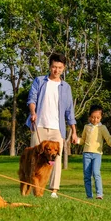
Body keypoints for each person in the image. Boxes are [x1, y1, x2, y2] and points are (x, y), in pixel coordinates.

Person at [26, 53, 77, 198]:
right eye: (54, 67)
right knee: (35, 157)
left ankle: (53, 190)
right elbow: (31, 98)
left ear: (64, 68)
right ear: (50, 66)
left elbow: (69, 112)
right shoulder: (40, 81)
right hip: (40, 125)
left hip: (57, 128)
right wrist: (33, 112)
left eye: (60, 68)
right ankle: (34, 187)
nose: (56, 70)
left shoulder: (66, 87)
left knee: (56, 159)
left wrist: (73, 132)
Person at [75, 104, 111, 200]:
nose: (95, 120)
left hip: (97, 154)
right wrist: (76, 140)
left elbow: (108, 138)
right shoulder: (86, 127)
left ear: (101, 118)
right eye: (92, 117)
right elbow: (82, 140)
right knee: (87, 175)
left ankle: (99, 194)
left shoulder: (102, 128)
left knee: (96, 173)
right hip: (86, 154)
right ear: (89, 117)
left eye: (97, 118)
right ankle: (89, 195)